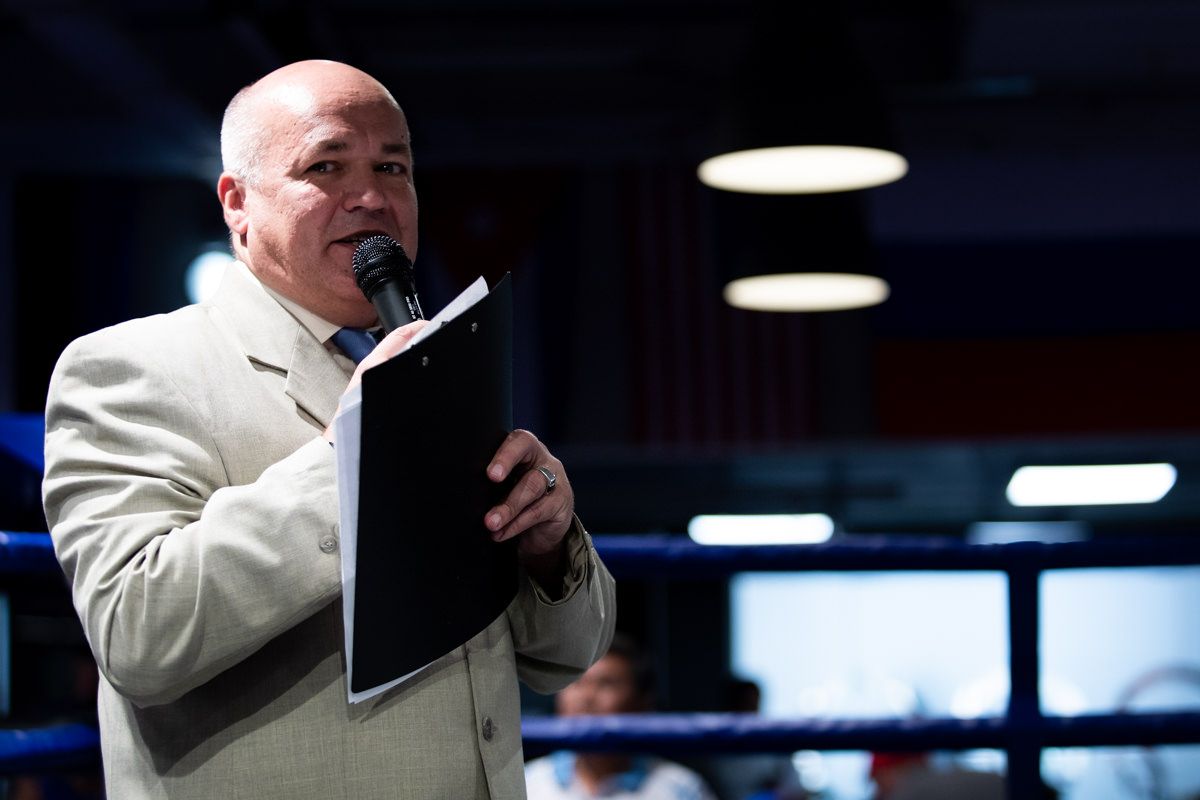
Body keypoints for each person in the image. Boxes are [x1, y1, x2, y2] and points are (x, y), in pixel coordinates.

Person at [41, 59, 616, 799]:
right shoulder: (131, 367)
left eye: (392, 167)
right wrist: (355, 459)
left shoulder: (440, 363)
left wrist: (547, 550)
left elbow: (566, 659)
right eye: (326, 166)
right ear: (237, 202)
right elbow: (138, 635)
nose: (372, 196)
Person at [525, 635, 717, 800]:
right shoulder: (527, 783)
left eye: (606, 684)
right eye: (576, 682)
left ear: (642, 702)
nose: (587, 696)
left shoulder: (681, 789)